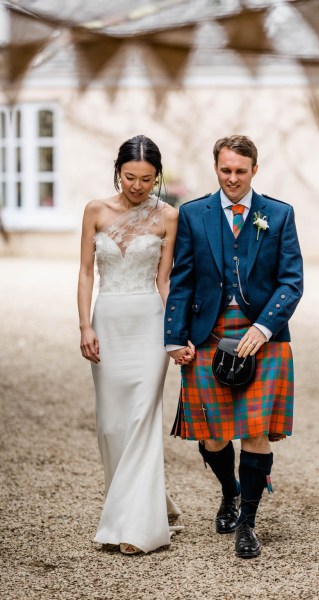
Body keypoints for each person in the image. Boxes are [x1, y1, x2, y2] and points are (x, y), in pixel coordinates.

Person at [165, 135, 303, 559]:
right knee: (212, 436)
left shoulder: (278, 215)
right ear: (216, 168)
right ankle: (230, 491)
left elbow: (291, 280)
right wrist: (174, 335)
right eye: (226, 170)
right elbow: (182, 278)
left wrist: (264, 327)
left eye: (241, 171)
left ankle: (248, 522)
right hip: (208, 334)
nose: (232, 178)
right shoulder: (193, 214)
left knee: (256, 432)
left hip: (262, 336)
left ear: (254, 171)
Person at [78, 134, 181, 555]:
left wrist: (175, 336)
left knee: (141, 421)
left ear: (157, 177)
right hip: (107, 320)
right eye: (129, 177)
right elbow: (86, 273)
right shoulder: (95, 210)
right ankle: (145, 503)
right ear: (117, 171)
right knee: (110, 425)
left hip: (149, 327)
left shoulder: (169, 217)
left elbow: (165, 281)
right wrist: (85, 326)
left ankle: (138, 526)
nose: (137, 186)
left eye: (146, 179)